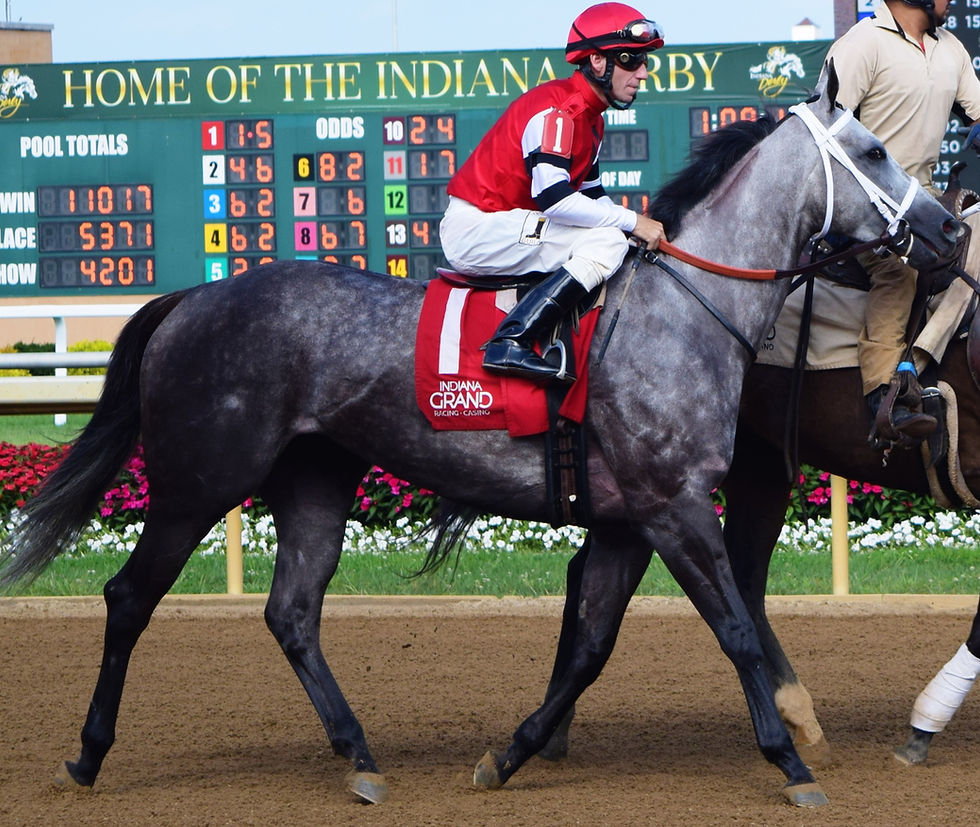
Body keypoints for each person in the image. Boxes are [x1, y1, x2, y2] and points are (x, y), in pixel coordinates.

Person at [439, 2, 667, 384]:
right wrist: (633, 221)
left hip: (510, 224)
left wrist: (639, 231)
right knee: (609, 242)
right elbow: (557, 201)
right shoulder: (558, 112)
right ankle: (510, 342)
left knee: (620, 242)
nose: (642, 73)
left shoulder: (593, 121)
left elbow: (595, 200)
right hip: (477, 229)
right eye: (632, 60)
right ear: (597, 61)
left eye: (645, 62)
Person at [826, 0, 980, 441]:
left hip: (927, 202)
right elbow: (824, 131)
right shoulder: (862, 45)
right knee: (898, 272)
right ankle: (882, 396)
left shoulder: (950, 49)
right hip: (867, 204)